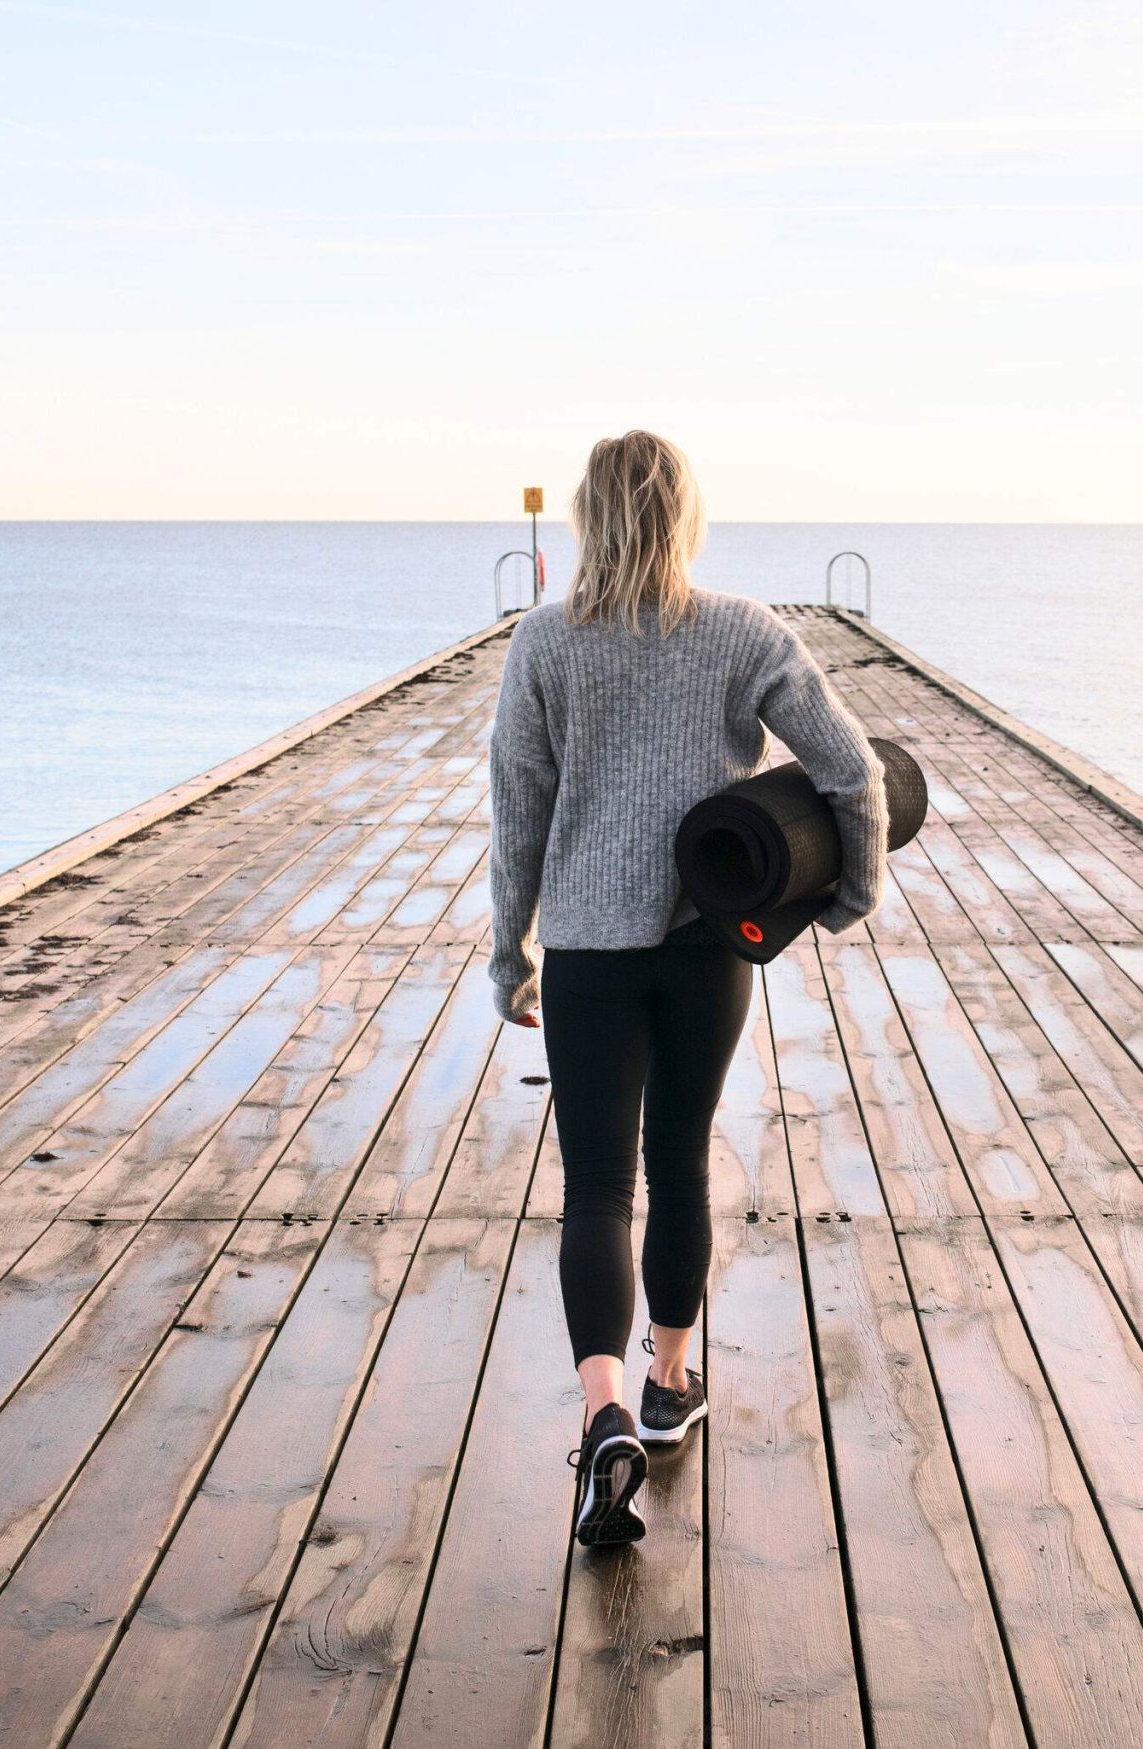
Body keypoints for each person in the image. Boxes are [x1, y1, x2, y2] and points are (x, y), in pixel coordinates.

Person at [487, 430, 888, 1548]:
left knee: (597, 1187)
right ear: (683, 517)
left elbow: (517, 810)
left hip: (586, 955)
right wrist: (850, 893)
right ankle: (670, 1385)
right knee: (677, 1164)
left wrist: (506, 952)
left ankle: (604, 1408)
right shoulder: (742, 630)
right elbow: (850, 768)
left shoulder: (544, 643)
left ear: (588, 518)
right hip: (710, 947)